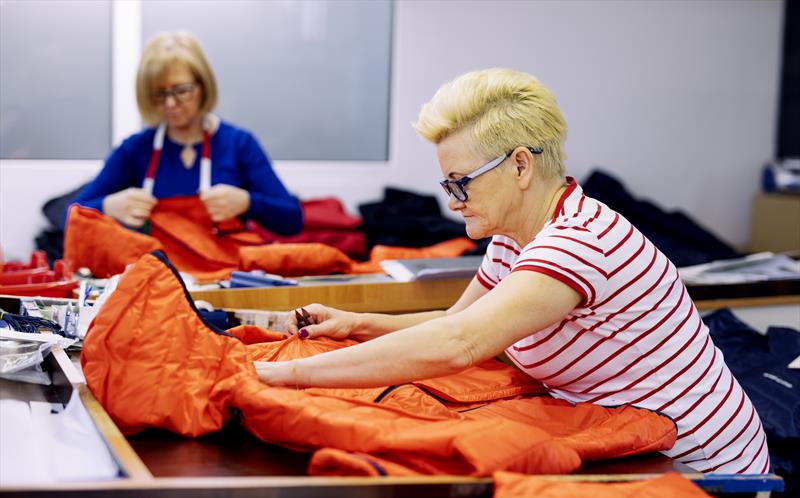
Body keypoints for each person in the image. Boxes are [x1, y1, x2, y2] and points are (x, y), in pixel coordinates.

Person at [255, 68, 769, 474]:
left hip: (699, 466)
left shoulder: (579, 244)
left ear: (520, 165)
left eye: (460, 183)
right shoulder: (513, 237)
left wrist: (282, 376)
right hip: (627, 440)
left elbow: (459, 345)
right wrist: (356, 323)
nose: (453, 202)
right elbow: (451, 321)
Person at [72, 31, 302, 234]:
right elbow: (70, 217)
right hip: (160, 275)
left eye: (181, 91)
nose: (170, 103)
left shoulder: (238, 144)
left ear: (204, 86)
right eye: (159, 94)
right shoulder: (136, 149)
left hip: (222, 275)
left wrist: (247, 202)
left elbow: (292, 220)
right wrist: (107, 207)